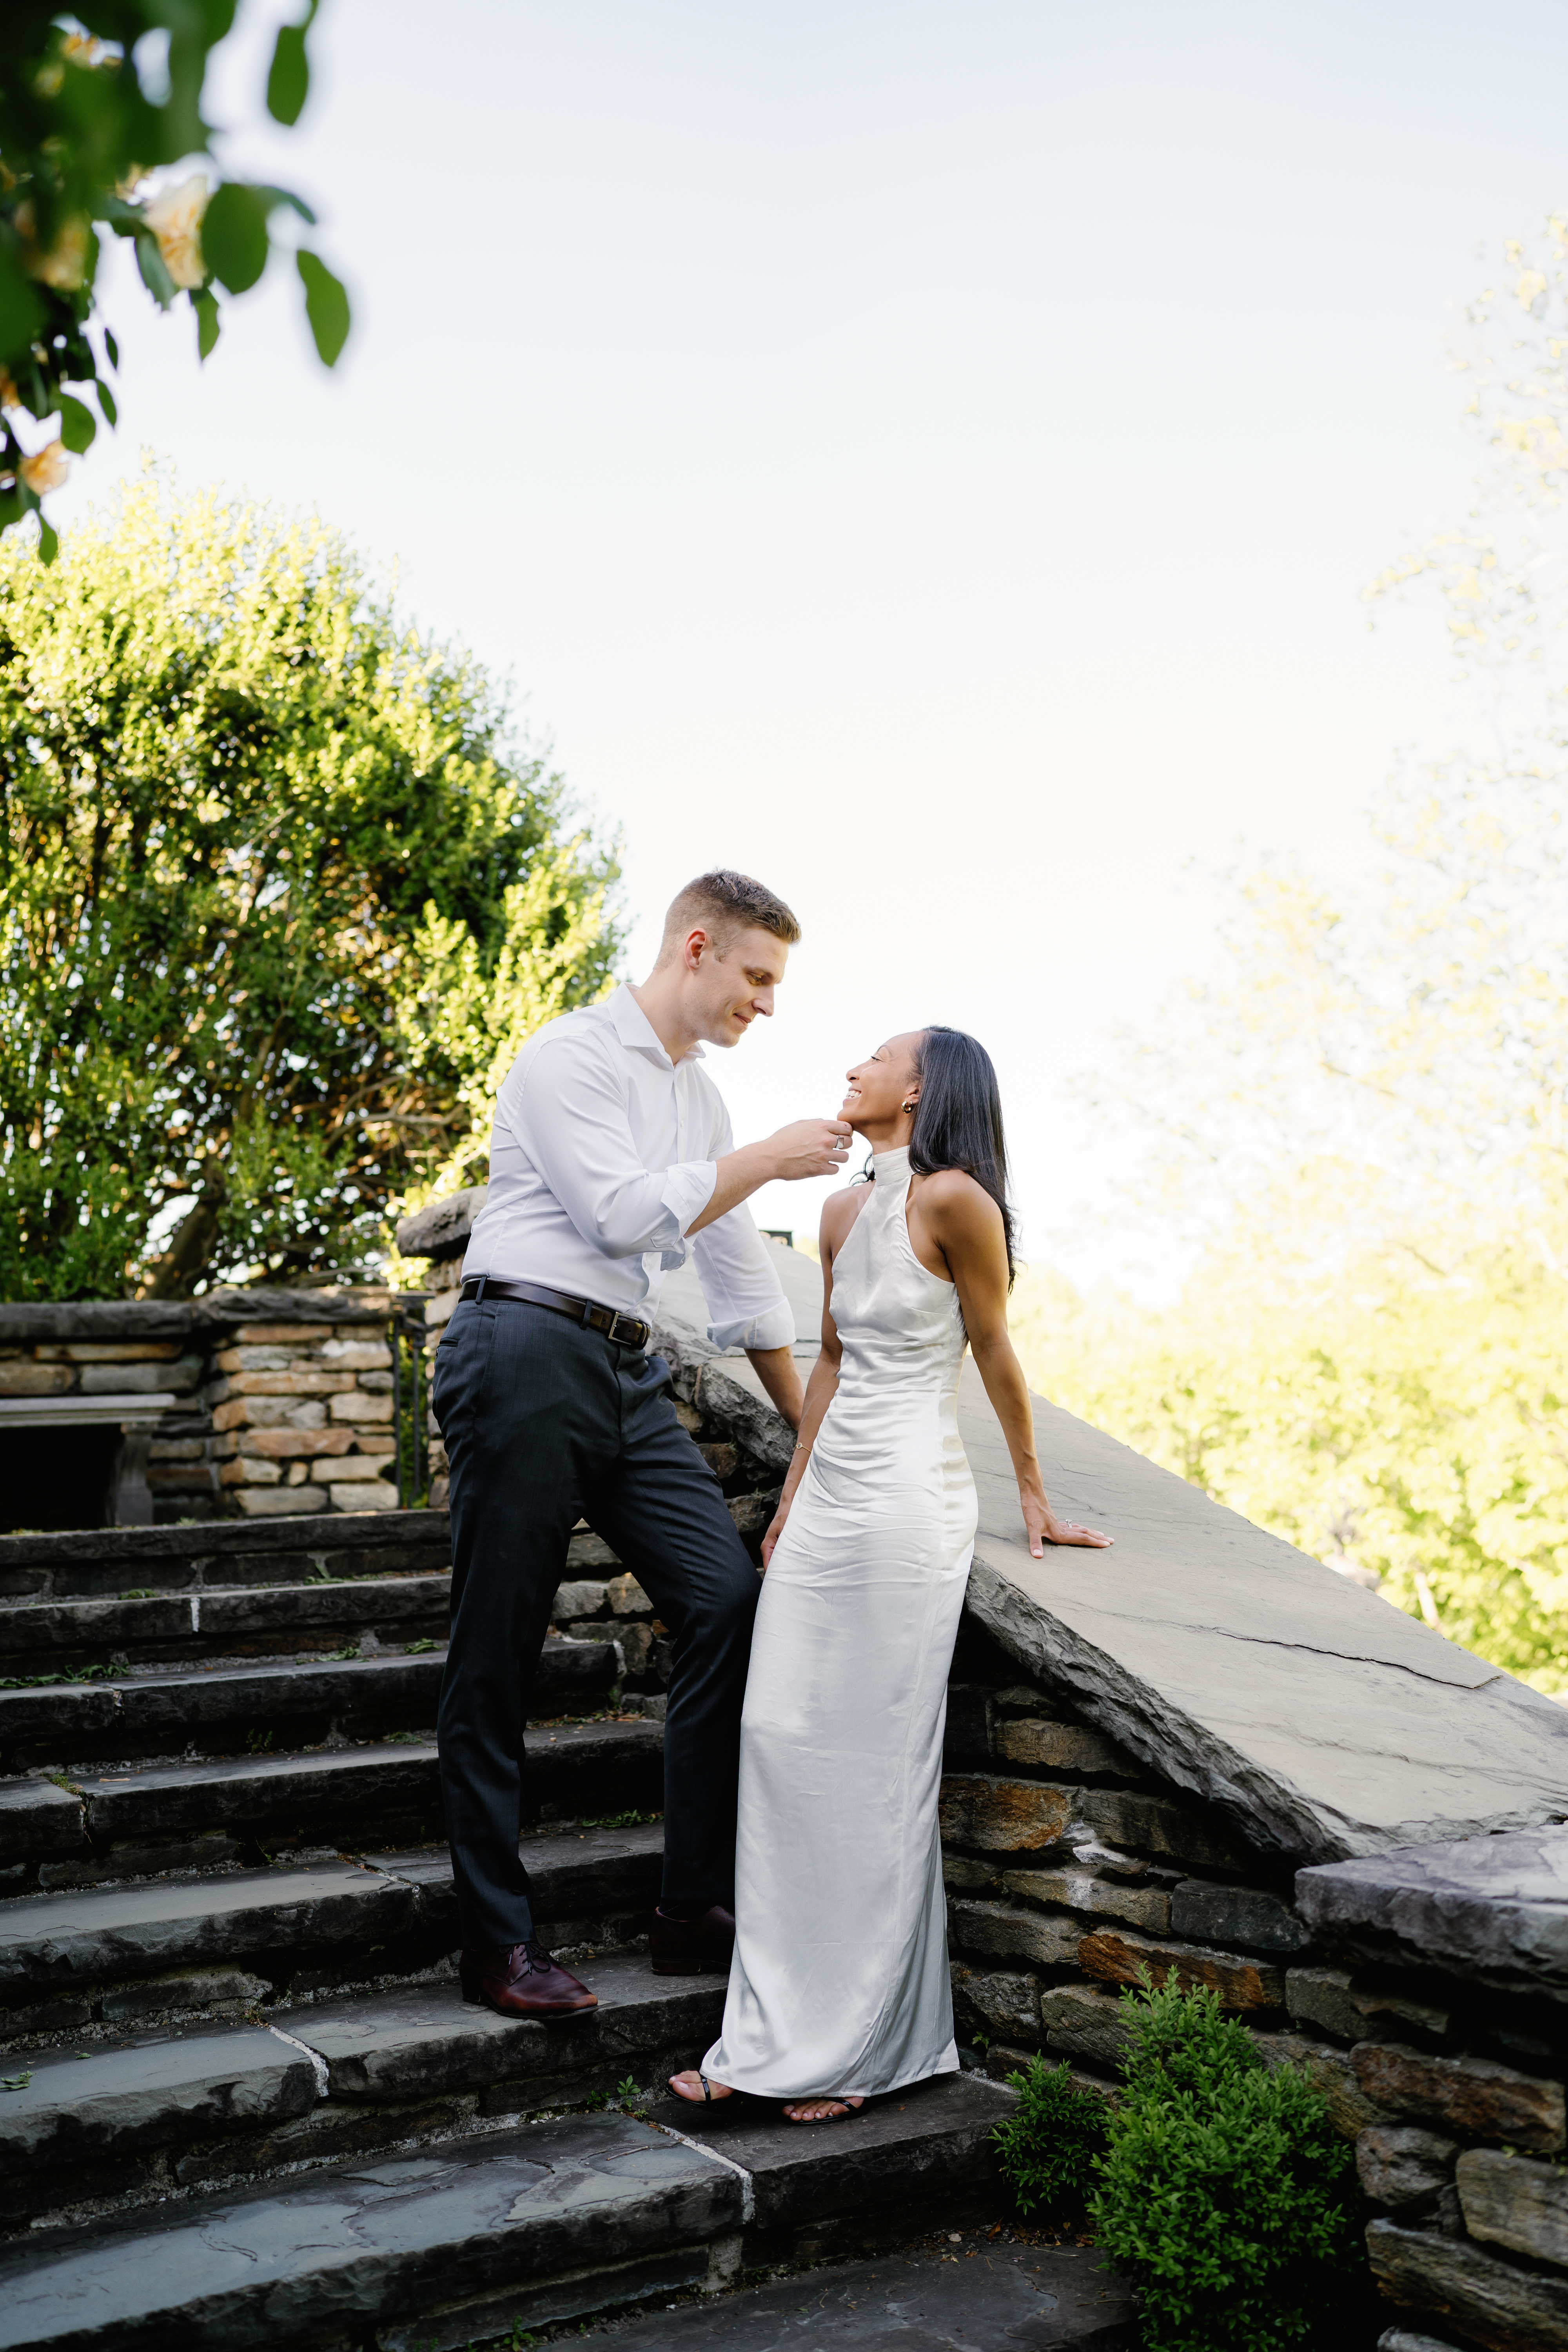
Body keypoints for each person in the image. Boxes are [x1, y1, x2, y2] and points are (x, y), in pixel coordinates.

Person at [669, 1026, 1112, 2121]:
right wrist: (792, 1494)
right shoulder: (837, 1209)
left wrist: (1034, 1495)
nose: (853, 1066)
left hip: (912, 1506)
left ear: (922, 1088)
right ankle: (767, 2030)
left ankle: (854, 2052)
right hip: (830, 1512)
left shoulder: (958, 1200)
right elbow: (828, 1363)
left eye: (876, 1056)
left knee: (869, 1769)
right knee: (777, 1746)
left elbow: (996, 1349)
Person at [432, 869, 852, 2021]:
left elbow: (740, 1287)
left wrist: (807, 1426)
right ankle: (496, 1942)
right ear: (699, 947)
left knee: (724, 1597)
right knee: (499, 1648)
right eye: (757, 978)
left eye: (775, 986)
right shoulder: (569, 1055)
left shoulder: (703, 1108)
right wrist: (768, 1160)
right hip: (522, 1343)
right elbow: (620, 1215)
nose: (765, 1005)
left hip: (625, 1370)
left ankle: (685, 1908)